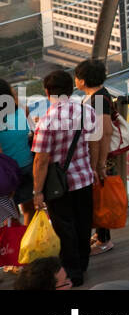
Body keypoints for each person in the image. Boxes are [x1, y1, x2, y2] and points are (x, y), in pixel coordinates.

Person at [31, 69, 101, 288]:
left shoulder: (46, 122)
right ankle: (83, 263)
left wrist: (37, 191)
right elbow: (93, 143)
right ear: (71, 89)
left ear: (47, 92)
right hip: (84, 178)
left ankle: (73, 272)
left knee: (64, 228)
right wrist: (94, 168)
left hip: (58, 187)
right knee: (83, 223)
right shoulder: (86, 111)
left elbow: (41, 161)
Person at [73, 61, 120, 254]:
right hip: (100, 156)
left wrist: (99, 164)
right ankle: (101, 236)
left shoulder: (98, 99)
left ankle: (104, 240)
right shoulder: (98, 95)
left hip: (102, 156)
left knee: (99, 198)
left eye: (76, 77)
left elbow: (105, 131)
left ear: (82, 80)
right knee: (97, 196)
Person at [1, 78, 33, 225]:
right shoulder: (22, 110)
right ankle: (29, 241)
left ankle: (17, 243)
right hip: (27, 164)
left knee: (11, 215)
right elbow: (29, 133)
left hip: (7, 173)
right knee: (28, 208)